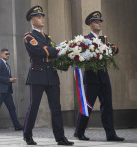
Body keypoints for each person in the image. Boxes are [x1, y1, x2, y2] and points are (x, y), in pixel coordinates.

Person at [23, 6, 74, 146]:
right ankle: (27, 135)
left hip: (51, 74)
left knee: (56, 107)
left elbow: (52, 53)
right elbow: (41, 51)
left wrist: (67, 57)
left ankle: (60, 137)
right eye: (39, 17)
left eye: (42, 16)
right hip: (38, 74)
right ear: (32, 21)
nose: (42, 19)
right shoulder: (29, 37)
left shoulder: (47, 37)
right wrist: (59, 49)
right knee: (34, 106)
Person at [74, 11, 124, 142]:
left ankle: (110, 134)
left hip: (103, 77)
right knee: (88, 106)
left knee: (107, 105)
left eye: (100, 21)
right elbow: (80, 55)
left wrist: (106, 49)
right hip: (91, 77)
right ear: (90, 24)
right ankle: (79, 132)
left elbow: (115, 48)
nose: (100, 23)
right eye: (96, 21)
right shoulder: (85, 39)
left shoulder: (104, 40)